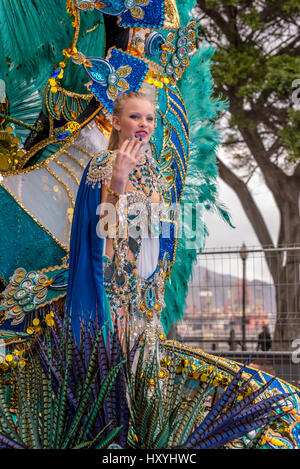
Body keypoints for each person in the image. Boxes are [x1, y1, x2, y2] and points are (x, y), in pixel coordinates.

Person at [66, 90, 170, 349]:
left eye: (150, 118)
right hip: (115, 282)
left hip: (146, 287)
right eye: (135, 116)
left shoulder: (156, 172)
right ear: (116, 122)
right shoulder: (104, 163)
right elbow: (104, 225)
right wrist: (120, 178)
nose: (144, 123)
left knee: (143, 370)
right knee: (114, 359)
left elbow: (162, 232)